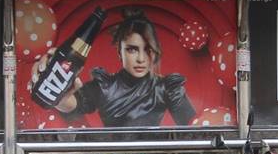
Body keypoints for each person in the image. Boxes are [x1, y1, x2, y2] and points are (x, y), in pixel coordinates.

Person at [35, 10, 196, 128]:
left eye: (147, 49)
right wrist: (57, 95)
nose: (141, 58)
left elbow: (195, 129)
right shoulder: (104, 86)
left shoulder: (167, 87)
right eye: (132, 49)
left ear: (155, 52)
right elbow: (72, 106)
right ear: (119, 51)